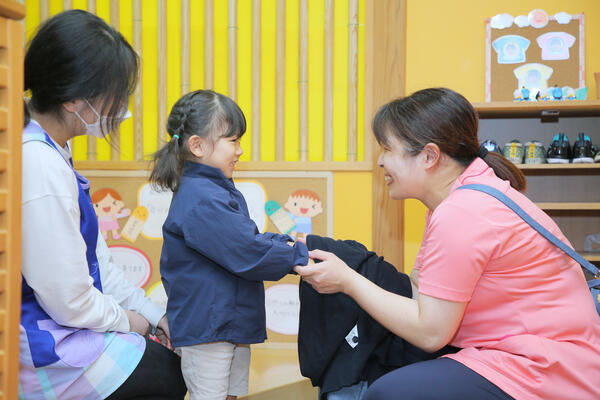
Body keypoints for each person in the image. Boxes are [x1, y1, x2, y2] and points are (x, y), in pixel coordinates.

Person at [295, 87, 600, 399]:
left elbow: (431, 333)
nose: (381, 161)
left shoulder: (463, 211)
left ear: (429, 156)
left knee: (390, 393)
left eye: (387, 149)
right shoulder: (461, 198)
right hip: (525, 350)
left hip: (544, 365)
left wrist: (347, 281)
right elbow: (422, 290)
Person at [21, 10, 186, 399]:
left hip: (66, 326)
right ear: (76, 99)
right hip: (47, 348)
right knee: (164, 376)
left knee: (168, 366)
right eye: (115, 92)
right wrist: (132, 323)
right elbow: (70, 301)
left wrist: (152, 315)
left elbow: (99, 266)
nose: (121, 105)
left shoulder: (51, 150)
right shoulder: (40, 166)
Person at [149, 89, 309, 400]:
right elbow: (244, 250)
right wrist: (296, 256)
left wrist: (290, 244)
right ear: (197, 145)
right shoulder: (201, 196)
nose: (240, 150)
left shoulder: (213, 189)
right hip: (209, 328)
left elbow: (244, 238)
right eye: (232, 140)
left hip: (226, 325)